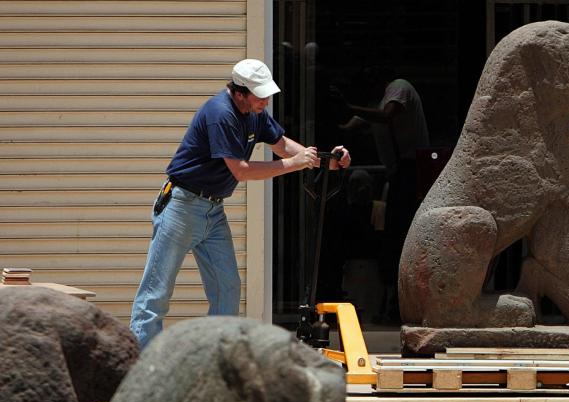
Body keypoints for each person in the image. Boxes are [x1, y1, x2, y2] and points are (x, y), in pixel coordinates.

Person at [129, 59, 350, 348]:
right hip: (181, 207)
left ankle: (217, 365)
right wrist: (292, 164)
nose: (266, 101)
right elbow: (241, 170)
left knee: (227, 289)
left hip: (213, 210)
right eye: (260, 95)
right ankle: (137, 373)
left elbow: (282, 144)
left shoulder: (256, 113)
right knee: (155, 294)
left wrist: (327, 161)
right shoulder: (220, 113)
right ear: (239, 92)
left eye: (268, 94)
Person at [335, 69, 429, 323]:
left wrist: (350, 106)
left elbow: (387, 116)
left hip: (410, 172)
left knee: (402, 238)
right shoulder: (379, 104)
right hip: (398, 174)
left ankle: (402, 308)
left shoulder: (398, 88)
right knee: (393, 238)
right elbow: (353, 125)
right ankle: (393, 305)